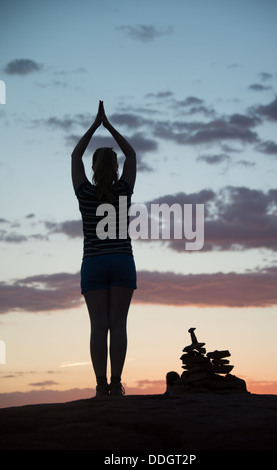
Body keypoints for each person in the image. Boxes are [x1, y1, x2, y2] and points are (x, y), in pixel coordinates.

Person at [71, 101, 137, 397]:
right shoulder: (124, 190)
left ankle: (100, 386)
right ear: (116, 168)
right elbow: (132, 154)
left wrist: (94, 125)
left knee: (98, 326)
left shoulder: (84, 192)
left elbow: (75, 155)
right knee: (118, 324)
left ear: (94, 168)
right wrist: (109, 126)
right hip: (121, 260)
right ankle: (116, 384)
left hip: (93, 263)